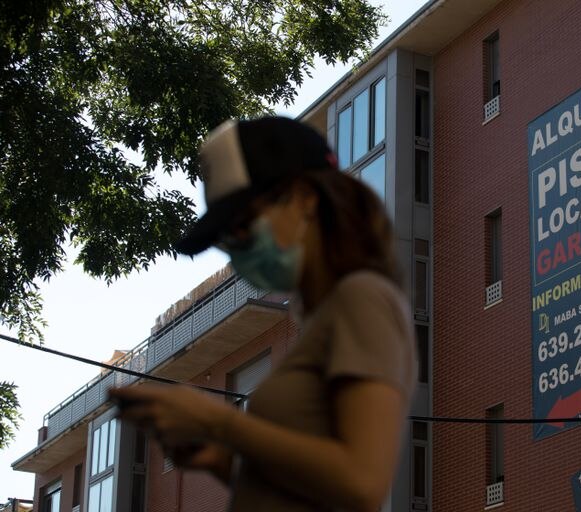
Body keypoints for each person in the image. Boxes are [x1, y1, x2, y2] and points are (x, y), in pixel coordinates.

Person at [110, 117, 416, 512]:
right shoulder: (328, 315)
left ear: (305, 196)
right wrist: (221, 462)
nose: (236, 253)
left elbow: (362, 483)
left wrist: (219, 423)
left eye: (241, 228)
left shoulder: (363, 298)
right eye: (225, 242)